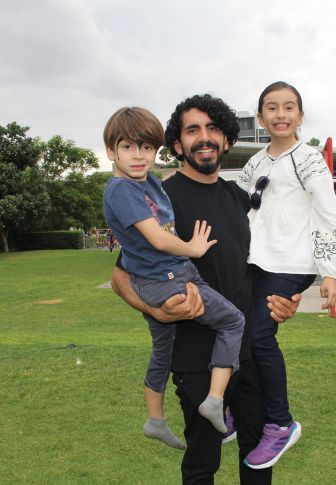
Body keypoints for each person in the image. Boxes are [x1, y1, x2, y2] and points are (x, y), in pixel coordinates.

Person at [110, 93, 302, 484]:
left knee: (257, 459)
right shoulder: (160, 199)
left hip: (247, 351)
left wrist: (286, 299)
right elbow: (121, 278)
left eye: (213, 129)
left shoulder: (241, 200)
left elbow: (266, 265)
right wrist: (156, 311)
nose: (204, 137)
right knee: (202, 463)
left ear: (227, 140)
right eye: (192, 130)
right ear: (177, 144)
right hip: (195, 355)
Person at [102, 107, 245, 449]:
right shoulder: (123, 190)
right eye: (127, 147)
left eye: (147, 148)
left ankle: (155, 420)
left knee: (161, 353)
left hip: (161, 277)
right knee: (233, 322)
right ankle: (215, 401)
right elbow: (153, 240)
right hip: (169, 278)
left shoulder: (149, 183)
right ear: (111, 152)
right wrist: (191, 248)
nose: (138, 156)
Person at [236, 81, 336, 469]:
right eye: (271, 107)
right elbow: (240, 204)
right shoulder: (256, 162)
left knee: (261, 336)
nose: (280, 114)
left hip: (292, 264)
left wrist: (330, 274)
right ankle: (237, 407)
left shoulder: (311, 159)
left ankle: (281, 424)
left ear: (300, 115)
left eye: (288, 107)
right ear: (261, 116)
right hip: (256, 261)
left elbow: (329, 214)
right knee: (236, 329)